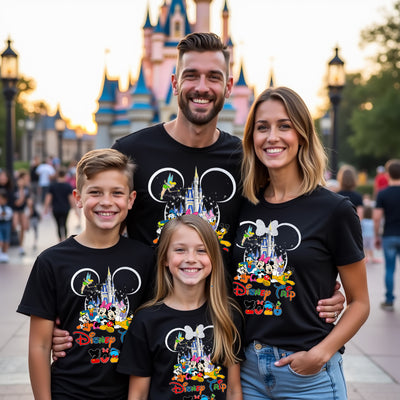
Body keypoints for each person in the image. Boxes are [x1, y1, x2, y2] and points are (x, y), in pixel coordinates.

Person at [52, 32, 344, 358]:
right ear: (175, 82)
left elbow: (279, 225)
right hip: (148, 337)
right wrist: (65, 309)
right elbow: (103, 240)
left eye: (213, 77)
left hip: (227, 339)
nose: (202, 87)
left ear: (229, 86)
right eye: (191, 75)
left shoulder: (247, 161)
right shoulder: (132, 152)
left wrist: (323, 287)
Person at [233, 86, 370, 399]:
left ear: (303, 135)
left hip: (309, 377)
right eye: (262, 127)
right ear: (251, 137)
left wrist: (320, 355)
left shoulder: (333, 210)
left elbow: (360, 303)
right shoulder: (243, 206)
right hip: (249, 371)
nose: (272, 137)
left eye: (285, 126)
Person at [17, 149, 155, 399]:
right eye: (95, 192)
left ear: (131, 199)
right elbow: (39, 345)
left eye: (117, 193)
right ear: (78, 198)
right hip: (69, 392)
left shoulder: (146, 259)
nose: (106, 201)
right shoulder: (51, 261)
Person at [117, 214, 244, 399]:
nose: (191, 258)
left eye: (201, 250)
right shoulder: (146, 321)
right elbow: (138, 395)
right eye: (180, 250)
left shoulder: (228, 316)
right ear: (164, 259)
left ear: (214, 258)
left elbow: (233, 390)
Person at [373, 159, 400, 312]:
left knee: (389, 269)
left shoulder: (383, 194)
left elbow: (377, 218)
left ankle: (389, 300)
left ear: (388, 174)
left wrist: (377, 235)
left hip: (389, 235)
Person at [43, 167, 76, 242]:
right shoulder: (67, 186)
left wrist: (45, 209)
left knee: (58, 225)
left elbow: (48, 198)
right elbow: (71, 199)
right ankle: (66, 240)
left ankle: (60, 241)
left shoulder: (52, 186)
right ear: (65, 175)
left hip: (56, 208)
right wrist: (75, 209)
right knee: (65, 224)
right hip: (65, 208)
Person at [12, 169, 32, 255]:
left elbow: (28, 199)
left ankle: (21, 246)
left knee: (24, 227)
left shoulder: (26, 188)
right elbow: (18, 202)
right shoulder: (14, 187)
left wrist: (30, 208)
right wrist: (20, 189)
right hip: (15, 209)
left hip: (22, 209)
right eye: (26, 178)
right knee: (14, 225)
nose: (28, 180)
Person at [0, 188, 13, 263]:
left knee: (6, 239)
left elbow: (10, 214)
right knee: (0, 240)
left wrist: (5, 214)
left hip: (7, 224)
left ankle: (5, 253)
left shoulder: (8, 207)